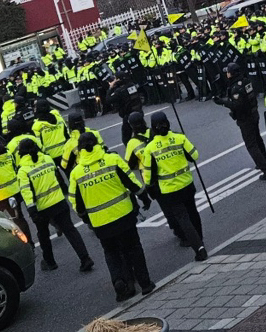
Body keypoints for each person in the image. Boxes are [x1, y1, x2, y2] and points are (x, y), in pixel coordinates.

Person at [69, 132, 154, 299]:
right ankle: (145, 284)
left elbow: (76, 202)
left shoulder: (76, 173)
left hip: (101, 223)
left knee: (111, 253)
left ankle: (119, 283)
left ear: (80, 149)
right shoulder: (112, 159)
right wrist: (144, 197)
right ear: (97, 143)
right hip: (124, 215)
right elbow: (131, 181)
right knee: (134, 248)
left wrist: (86, 218)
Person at [17, 138, 94, 273]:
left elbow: (26, 192)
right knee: (71, 231)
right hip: (59, 202)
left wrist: (32, 211)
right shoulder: (47, 159)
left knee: (43, 235)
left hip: (41, 208)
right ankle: (85, 258)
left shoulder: (23, 170)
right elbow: (57, 177)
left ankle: (50, 262)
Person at [138, 112, 207, 261]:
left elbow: (148, 176)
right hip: (187, 184)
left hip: (169, 190)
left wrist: (150, 187)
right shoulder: (179, 138)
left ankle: (199, 248)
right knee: (193, 211)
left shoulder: (150, 148)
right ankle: (200, 239)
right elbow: (194, 156)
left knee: (183, 218)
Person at [214, 63, 266, 180]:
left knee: (251, 144)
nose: (227, 74)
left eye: (228, 72)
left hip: (245, 118)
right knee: (257, 138)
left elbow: (237, 105)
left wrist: (222, 102)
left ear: (233, 73)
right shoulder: (246, 81)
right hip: (253, 113)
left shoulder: (236, 87)